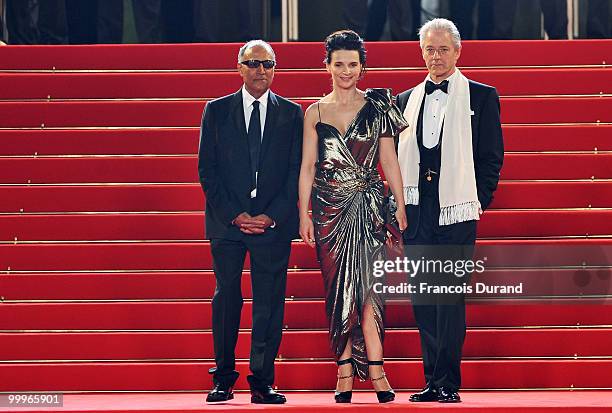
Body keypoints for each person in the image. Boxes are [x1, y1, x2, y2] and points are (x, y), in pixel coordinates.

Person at [396, 18, 504, 403]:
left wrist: (475, 202)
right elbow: (392, 159)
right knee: (424, 297)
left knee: (449, 296)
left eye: (443, 49)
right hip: (416, 210)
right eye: (429, 49)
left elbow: (492, 158)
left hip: (457, 211)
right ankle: (430, 380)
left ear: (458, 52)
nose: (436, 56)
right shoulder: (403, 99)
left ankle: (448, 382)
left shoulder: (482, 96)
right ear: (421, 51)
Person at [298, 30, 408, 404]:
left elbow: (389, 159)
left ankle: (377, 371)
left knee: (372, 293)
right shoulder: (313, 111)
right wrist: (303, 214)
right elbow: (308, 166)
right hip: (329, 212)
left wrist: (402, 204)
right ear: (327, 66)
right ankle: (344, 373)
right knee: (338, 292)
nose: (346, 71)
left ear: (362, 67)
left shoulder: (378, 105)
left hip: (370, 209)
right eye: (339, 64)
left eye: (353, 64)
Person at [198, 39, 303, 404]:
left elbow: (296, 172)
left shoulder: (292, 113)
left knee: (269, 302)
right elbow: (207, 171)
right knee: (226, 298)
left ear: (275, 69)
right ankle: (222, 378)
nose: (261, 70)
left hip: (272, 224)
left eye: (268, 64)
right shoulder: (216, 110)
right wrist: (235, 214)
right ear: (239, 67)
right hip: (227, 224)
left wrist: (271, 215)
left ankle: (262, 381)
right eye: (253, 63)